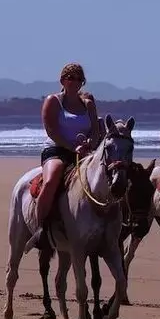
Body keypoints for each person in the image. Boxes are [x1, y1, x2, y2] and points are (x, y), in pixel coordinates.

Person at [24, 63, 100, 253]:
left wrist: (89, 143)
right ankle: (40, 229)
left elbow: (96, 132)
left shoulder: (88, 104)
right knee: (53, 177)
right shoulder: (53, 101)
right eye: (70, 78)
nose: (74, 82)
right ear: (62, 81)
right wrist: (72, 147)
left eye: (78, 78)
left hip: (84, 151)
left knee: (106, 175)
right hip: (57, 150)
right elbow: (52, 131)